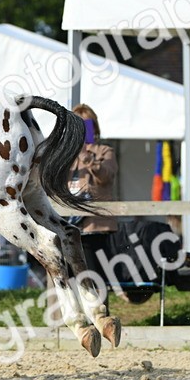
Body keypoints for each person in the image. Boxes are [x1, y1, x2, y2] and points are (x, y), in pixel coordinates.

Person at [67, 104, 119, 270]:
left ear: (94, 127)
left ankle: (99, 297)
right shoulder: (67, 153)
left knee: (94, 275)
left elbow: (106, 177)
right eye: (78, 124)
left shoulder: (105, 151)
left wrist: (86, 156)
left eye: (86, 125)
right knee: (68, 272)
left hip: (95, 225)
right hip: (68, 222)